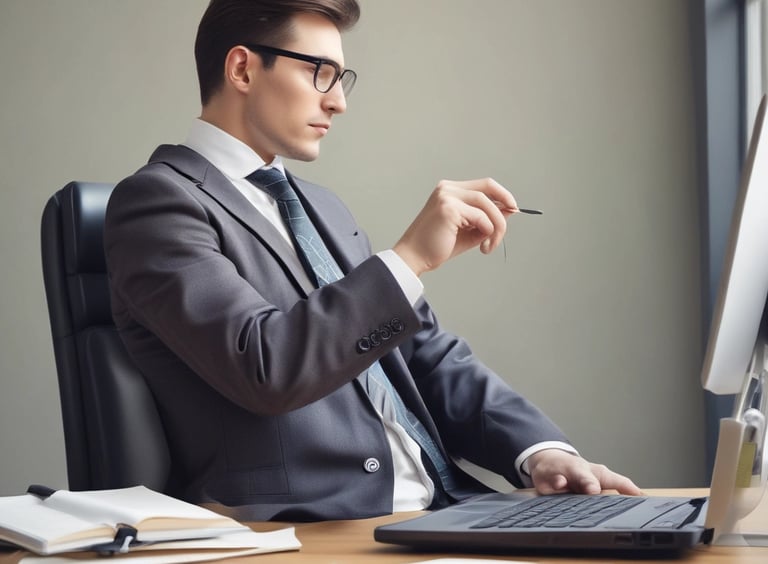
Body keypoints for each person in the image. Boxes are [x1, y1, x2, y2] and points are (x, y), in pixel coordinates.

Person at [104, 0, 640, 522]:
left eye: (342, 78)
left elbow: (426, 356)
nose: (338, 102)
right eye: (321, 73)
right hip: (318, 528)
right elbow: (264, 367)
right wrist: (407, 260)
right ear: (243, 68)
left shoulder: (322, 208)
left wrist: (540, 453)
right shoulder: (158, 204)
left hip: (449, 510)